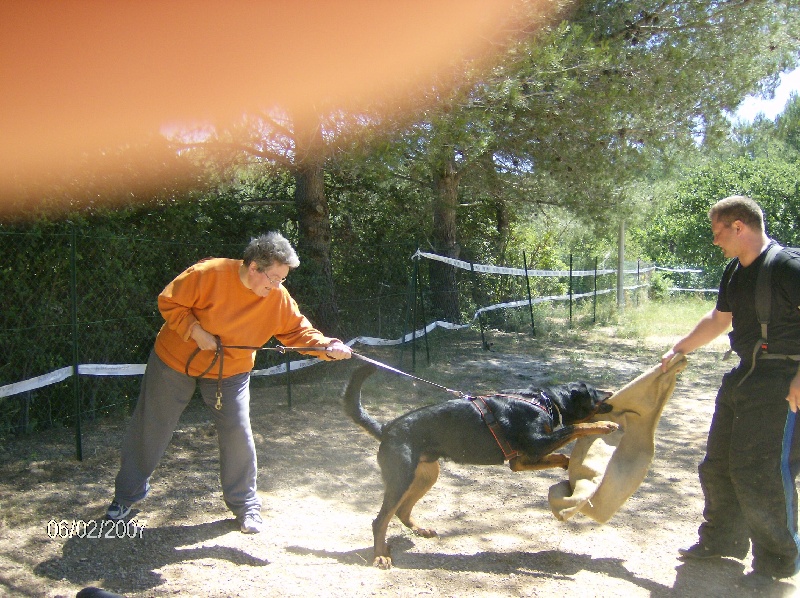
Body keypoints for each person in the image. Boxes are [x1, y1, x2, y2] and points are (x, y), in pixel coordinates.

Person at [106, 232, 351, 533]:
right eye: (273, 278)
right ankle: (126, 496)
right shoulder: (208, 274)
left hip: (230, 371)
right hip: (174, 361)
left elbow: (298, 333)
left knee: (238, 430)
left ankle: (245, 505)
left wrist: (327, 346)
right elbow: (169, 302)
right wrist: (195, 331)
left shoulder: (277, 298)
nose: (277, 286)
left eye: (282, 280)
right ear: (253, 268)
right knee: (151, 425)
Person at [660, 195, 800, 588]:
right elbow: (720, 318)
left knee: (763, 472)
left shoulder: (788, 266)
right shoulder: (734, 272)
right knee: (718, 464)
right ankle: (723, 540)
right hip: (744, 377)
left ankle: (777, 564)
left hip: (783, 382)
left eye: (718, 232)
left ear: (739, 226)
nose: (715, 241)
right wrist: (680, 348)